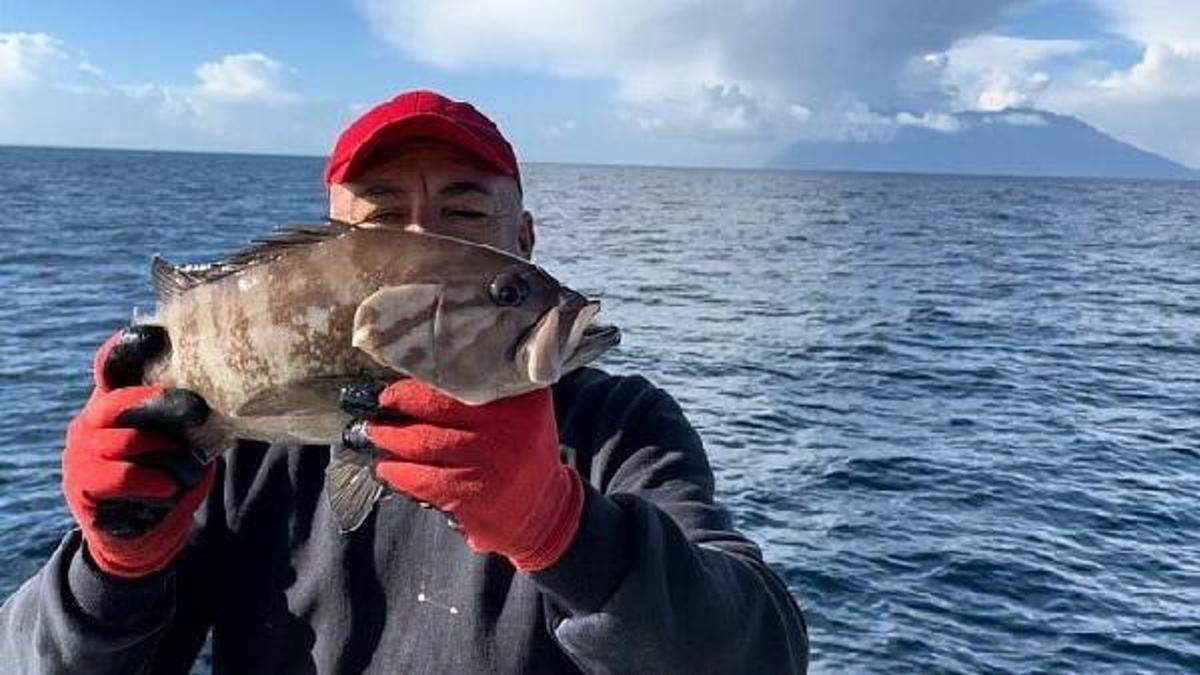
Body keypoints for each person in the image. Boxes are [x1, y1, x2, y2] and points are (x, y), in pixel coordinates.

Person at [0, 89, 809, 673]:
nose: (424, 240)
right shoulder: (239, 443)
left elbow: (761, 653)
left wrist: (562, 528)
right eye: (382, 219)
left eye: (464, 215)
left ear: (523, 240)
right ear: (331, 254)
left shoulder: (621, 425)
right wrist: (111, 566)